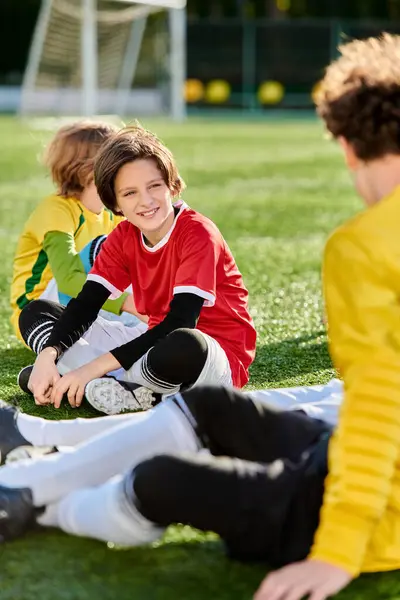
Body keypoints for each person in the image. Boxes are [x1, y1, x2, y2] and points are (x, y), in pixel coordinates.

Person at [21, 125, 256, 414]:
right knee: (37, 312)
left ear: (172, 185)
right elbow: (86, 305)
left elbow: (180, 322)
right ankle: (101, 385)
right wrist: (48, 356)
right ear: (115, 204)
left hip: (208, 358)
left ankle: (94, 380)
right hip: (149, 343)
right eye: (129, 193)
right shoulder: (123, 237)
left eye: (154, 186)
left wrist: (90, 368)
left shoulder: (198, 233)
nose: (145, 201)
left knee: (184, 343)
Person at [10, 120, 145, 348]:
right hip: (42, 310)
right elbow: (68, 281)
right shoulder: (56, 210)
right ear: (88, 169)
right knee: (103, 248)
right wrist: (130, 304)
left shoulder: (111, 213)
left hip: (87, 303)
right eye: (119, 160)